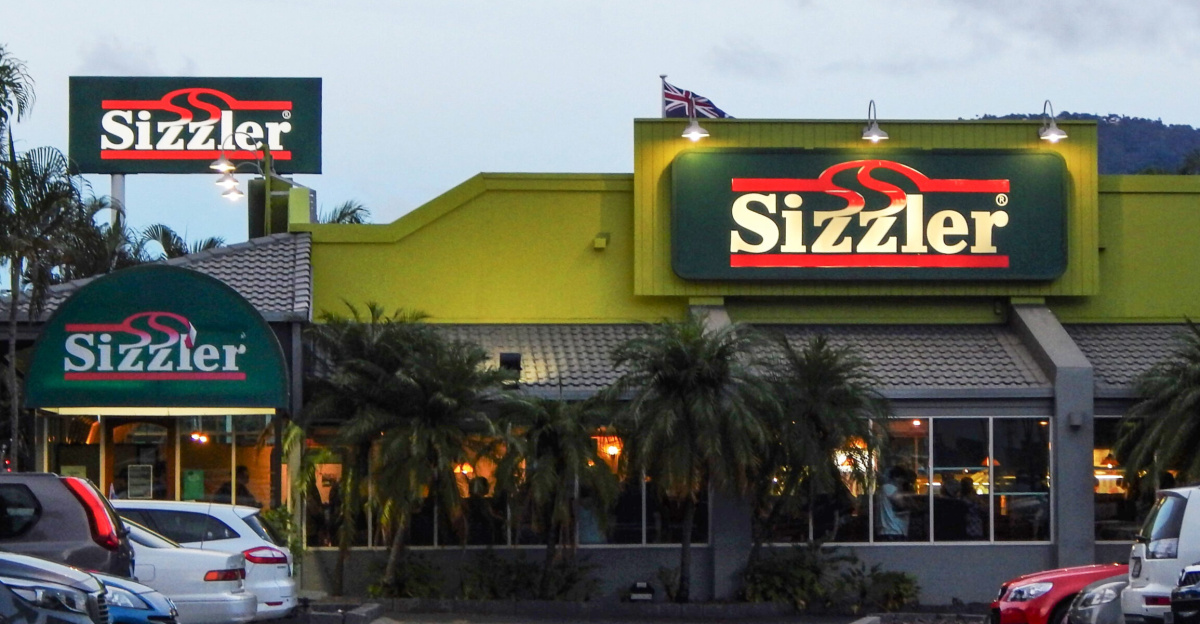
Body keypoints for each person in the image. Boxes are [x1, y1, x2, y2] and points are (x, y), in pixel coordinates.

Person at [877, 465, 910, 541]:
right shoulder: (890, 488)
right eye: (902, 479)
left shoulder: (882, 490)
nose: (903, 482)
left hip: (888, 530)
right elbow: (901, 505)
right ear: (897, 478)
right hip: (894, 530)